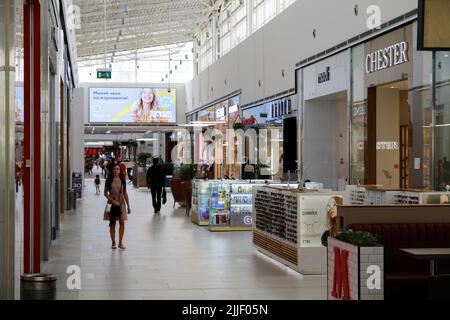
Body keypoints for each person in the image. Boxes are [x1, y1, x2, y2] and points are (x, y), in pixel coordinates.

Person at [104, 164, 131, 250]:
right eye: (114, 169)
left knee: (122, 222)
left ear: (120, 171)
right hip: (111, 203)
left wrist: (128, 206)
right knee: (112, 223)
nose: (116, 170)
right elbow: (105, 193)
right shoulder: (109, 180)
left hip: (121, 203)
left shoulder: (122, 180)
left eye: (118, 169)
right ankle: (113, 242)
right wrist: (113, 201)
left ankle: (120, 242)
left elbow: (125, 193)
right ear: (112, 170)